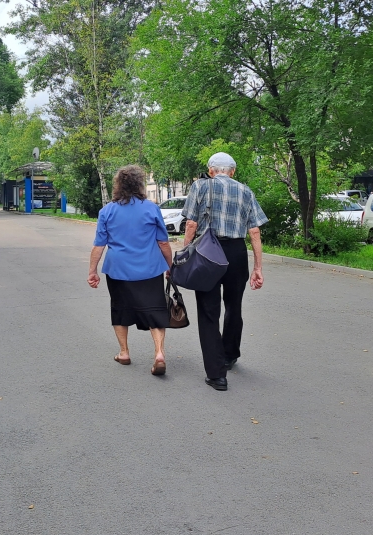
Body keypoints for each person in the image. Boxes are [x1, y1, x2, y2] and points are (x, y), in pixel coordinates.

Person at [181, 152, 268, 391]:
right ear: (233, 171)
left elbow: (191, 224)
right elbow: (255, 232)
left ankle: (217, 375)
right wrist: (258, 268)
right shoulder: (245, 191)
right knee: (234, 306)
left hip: (208, 252)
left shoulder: (200, 187)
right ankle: (229, 355)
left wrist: (185, 254)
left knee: (209, 312)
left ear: (211, 170)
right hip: (236, 253)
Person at [87, 165, 173, 376]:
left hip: (119, 270)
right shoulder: (151, 208)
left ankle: (124, 352)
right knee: (155, 310)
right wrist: (170, 266)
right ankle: (159, 353)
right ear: (140, 184)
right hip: (150, 269)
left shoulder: (107, 211)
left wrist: (92, 271)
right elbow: (163, 242)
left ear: (118, 185)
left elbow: (99, 245)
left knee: (120, 309)